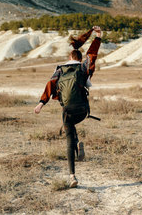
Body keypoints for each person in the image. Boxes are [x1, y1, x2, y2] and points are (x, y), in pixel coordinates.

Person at [34, 26, 102, 188]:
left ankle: (72, 176)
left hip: (67, 110)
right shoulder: (84, 68)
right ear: (79, 58)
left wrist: (41, 103)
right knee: (73, 125)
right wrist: (98, 38)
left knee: (68, 139)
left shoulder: (60, 70)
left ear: (69, 56)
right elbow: (92, 55)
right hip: (83, 110)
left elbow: (50, 84)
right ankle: (78, 142)